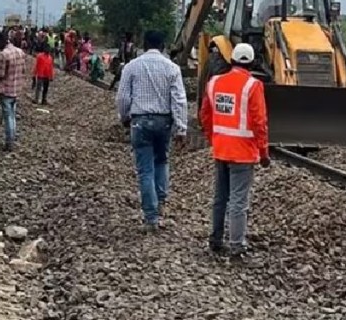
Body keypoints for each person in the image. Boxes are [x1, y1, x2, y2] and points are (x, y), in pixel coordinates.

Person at [198, 42, 270, 260]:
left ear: (232, 60)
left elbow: (205, 115)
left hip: (221, 150)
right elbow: (259, 122)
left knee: (220, 197)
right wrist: (264, 152)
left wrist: (214, 139)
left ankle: (216, 239)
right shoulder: (253, 86)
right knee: (239, 200)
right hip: (243, 153)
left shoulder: (214, 82)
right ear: (251, 62)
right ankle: (236, 245)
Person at [115, 30, 188, 233]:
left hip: (140, 121)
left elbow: (122, 98)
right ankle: (160, 200)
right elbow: (179, 100)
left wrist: (124, 117)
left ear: (144, 45)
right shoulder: (172, 68)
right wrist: (181, 128)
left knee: (145, 169)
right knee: (162, 160)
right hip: (164, 121)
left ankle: (151, 217)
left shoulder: (132, 67)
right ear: (163, 46)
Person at [0, 30, 26, 151]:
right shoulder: (20, 52)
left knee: (8, 117)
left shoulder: (4, 54)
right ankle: (12, 139)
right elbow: (23, 70)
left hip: (6, 90)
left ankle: (9, 142)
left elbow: (1, 74)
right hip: (16, 89)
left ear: (0, 41)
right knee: (12, 115)